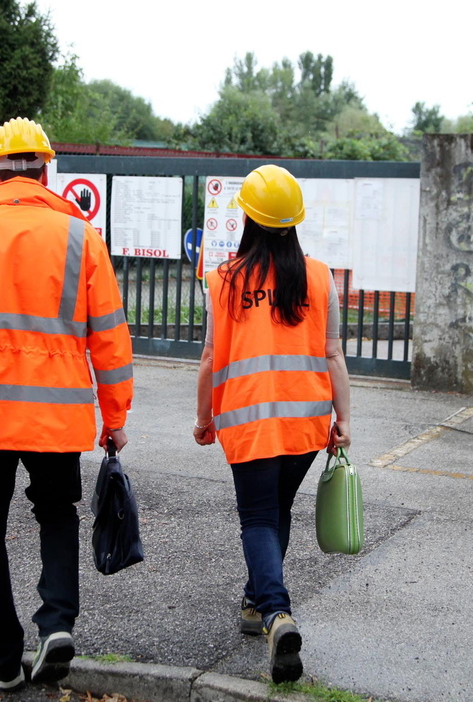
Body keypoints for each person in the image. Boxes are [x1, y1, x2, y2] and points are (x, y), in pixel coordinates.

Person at [0, 118, 133, 691]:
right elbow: (109, 336)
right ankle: (56, 622)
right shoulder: (80, 238)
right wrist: (114, 418)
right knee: (56, 513)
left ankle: (4, 661)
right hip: (55, 411)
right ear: (46, 170)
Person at [193, 164, 352, 683]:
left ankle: (277, 614)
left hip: (248, 421)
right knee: (276, 508)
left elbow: (211, 359)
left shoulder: (222, 280)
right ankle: (253, 600)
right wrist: (344, 418)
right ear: (294, 221)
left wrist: (203, 418)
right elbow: (333, 354)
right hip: (306, 421)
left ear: (248, 218)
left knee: (258, 518)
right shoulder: (318, 275)